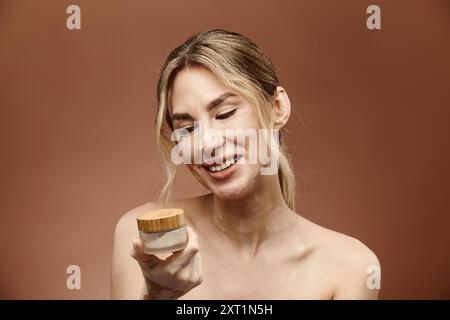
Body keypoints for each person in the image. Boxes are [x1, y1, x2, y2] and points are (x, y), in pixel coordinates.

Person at [111, 29, 380, 300]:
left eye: (225, 113)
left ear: (277, 108)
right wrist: (156, 296)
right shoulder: (147, 239)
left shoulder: (349, 267)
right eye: (188, 129)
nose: (207, 144)